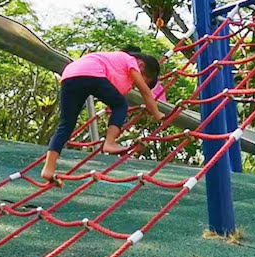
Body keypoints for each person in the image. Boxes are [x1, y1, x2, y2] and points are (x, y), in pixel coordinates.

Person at [41, 51, 165, 184]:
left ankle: (48, 169)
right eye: (144, 78)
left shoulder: (115, 63)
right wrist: (157, 113)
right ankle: (109, 143)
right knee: (120, 105)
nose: (137, 82)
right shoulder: (131, 61)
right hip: (91, 74)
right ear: (141, 65)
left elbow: (114, 92)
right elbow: (145, 92)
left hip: (69, 76)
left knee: (66, 125)